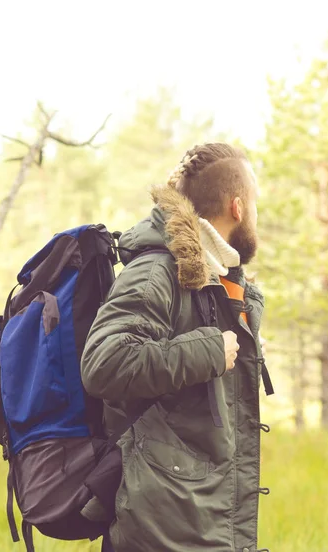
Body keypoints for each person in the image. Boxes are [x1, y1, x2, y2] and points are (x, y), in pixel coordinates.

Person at [81, 143, 272, 552]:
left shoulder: (216, 276)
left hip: (196, 520)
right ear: (238, 207)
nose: (257, 214)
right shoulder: (156, 270)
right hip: (161, 529)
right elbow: (104, 362)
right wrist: (207, 351)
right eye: (256, 204)